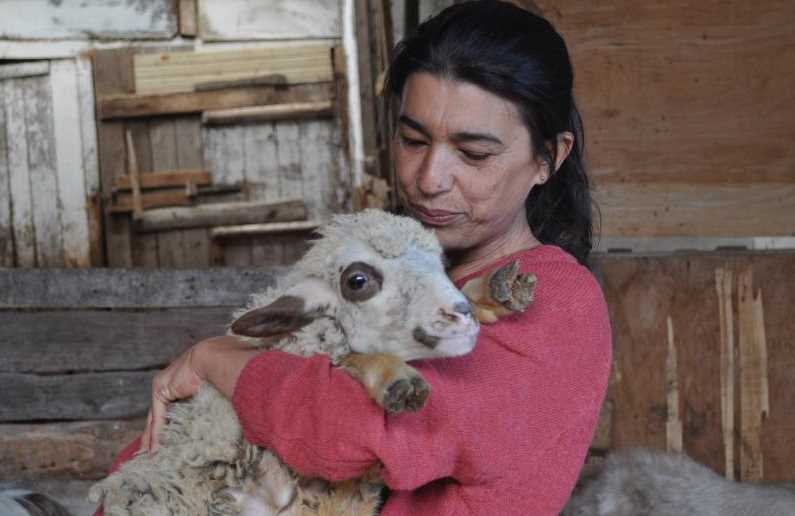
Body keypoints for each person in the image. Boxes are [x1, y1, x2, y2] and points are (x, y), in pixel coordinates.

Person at [100, 2, 612, 514]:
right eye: (413, 140)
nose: (429, 179)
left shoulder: (557, 301)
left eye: (474, 154)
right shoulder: (394, 270)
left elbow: (358, 429)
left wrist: (216, 359)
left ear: (549, 157)